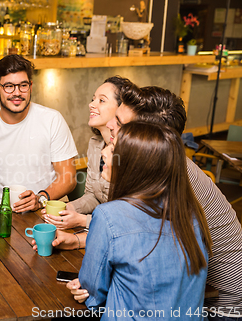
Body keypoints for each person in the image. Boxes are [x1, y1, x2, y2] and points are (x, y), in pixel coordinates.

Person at [103, 86, 242, 321]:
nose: (109, 125)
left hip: (221, 300)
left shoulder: (168, 175)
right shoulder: (162, 163)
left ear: (149, 138)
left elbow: (137, 240)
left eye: (120, 122)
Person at [68, 121, 212, 320]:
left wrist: (84, 288)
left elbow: (93, 296)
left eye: (114, 148)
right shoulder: (192, 213)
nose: (104, 152)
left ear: (135, 164)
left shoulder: (108, 215)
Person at [42, 76, 136, 230]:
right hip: (100, 226)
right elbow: (93, 195)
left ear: (121, 108)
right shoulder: (95, 144)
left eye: (102, 100)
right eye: (93, 99)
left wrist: (82, 220)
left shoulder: (132, 150)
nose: (91, 104)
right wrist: (68, 209)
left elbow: (129, 217)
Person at [0, 54, 78, 212]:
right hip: (2, 208)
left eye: (23, 85)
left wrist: (41, 198)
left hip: (45, 205)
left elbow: (68, 177)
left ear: (31, 86)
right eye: (9, 86)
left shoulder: (51, 119)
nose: (17, 93)